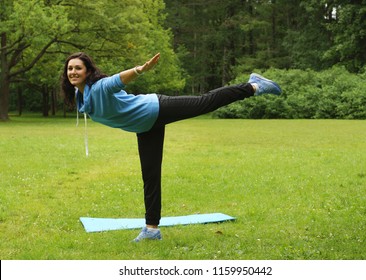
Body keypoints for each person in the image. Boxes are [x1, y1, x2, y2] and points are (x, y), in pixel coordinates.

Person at [61, 52, 282, 242]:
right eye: (70, 68)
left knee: (204, 102)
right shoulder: (81, 95)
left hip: (154, 108)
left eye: (78, 68)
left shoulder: (98, 87)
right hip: (145, 126)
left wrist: (140, 69)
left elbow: (117, 80)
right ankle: (151, 229)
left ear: (88, 71)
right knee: (150, 175)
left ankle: (254, 86)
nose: (73, 72)